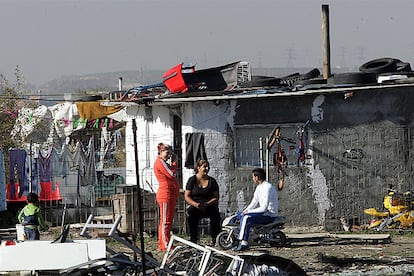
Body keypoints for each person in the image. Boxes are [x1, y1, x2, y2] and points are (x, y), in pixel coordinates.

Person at [233, 168, 278, 252]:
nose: (252, 178)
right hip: (263, 212)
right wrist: (245, 211)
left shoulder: (267, 188)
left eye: (253, 176)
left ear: (257, 177)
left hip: (269, 214)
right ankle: (241, 236)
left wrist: (248, 212)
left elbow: (264, 208)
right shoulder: (259, 187)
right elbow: (254, 202)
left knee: (247, 217)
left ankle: (243, 243)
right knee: (239, 214)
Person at [184, 159, 221, 246]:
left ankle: (215, 238)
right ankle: (194, 239)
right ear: (198, 168)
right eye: (204, 167)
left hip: (209, 205)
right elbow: (187, 196)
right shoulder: (192, 180)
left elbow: (216, 197)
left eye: (208, 167)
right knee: (192, 215)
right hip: (195, 205)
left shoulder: (212, 181)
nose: (207, 169)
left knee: (215, 216)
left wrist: (208, 203)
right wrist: (196, 204)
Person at [153, 143, 180, 251]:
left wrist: (174, 163)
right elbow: (171, 174)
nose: (169, 155)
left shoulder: (164, 162)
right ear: (161, 152)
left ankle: (164, 242)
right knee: (165, 221)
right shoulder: (160, 162)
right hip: (165, 194)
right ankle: (165, 244)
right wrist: (174, 162)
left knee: (167, 220)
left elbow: (171, 171)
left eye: (170, 152)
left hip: (170, 194)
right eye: (167, 152)